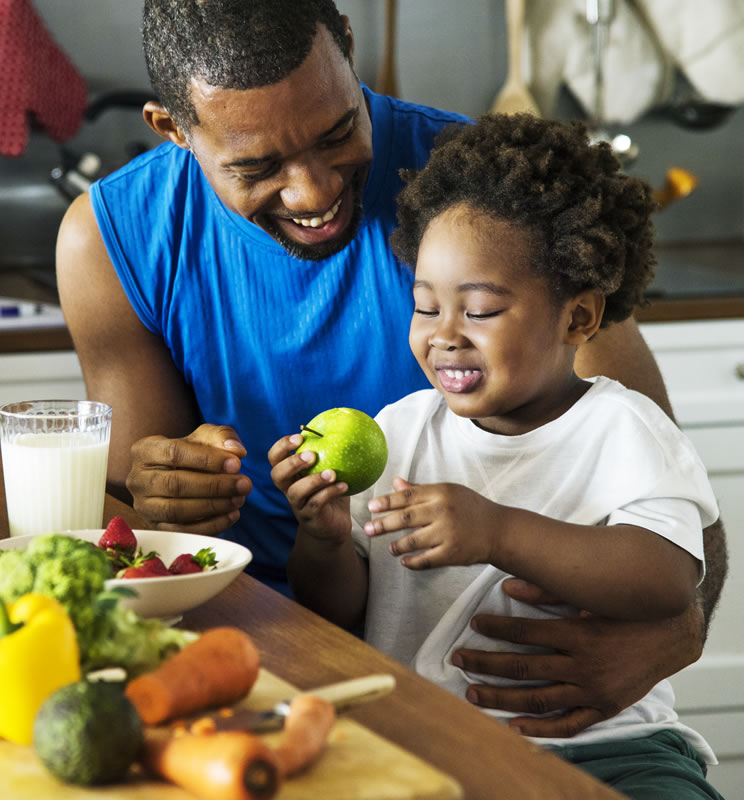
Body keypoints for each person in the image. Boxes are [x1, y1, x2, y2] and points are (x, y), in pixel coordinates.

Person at [55, 0, 728, 741]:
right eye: (257, 166)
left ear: (347, 45)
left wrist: (677, 634)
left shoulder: (492, 207)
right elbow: (137, 525)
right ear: (172, 129)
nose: (313, 193)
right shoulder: (112, 239)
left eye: (337, 132)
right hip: (255, 648)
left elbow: (670, 497)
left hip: (523, 692)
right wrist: (166, 491)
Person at [269, 113, 725, 798]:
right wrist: (325, 540)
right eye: (426, 307)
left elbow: (666, 581)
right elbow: (340, 611)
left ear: (579, 318)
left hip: (610, 747)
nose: (444, 337)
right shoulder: (401, 431)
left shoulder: (624, 430)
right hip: (428, 739)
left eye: (478, 311)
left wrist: (497, 531)